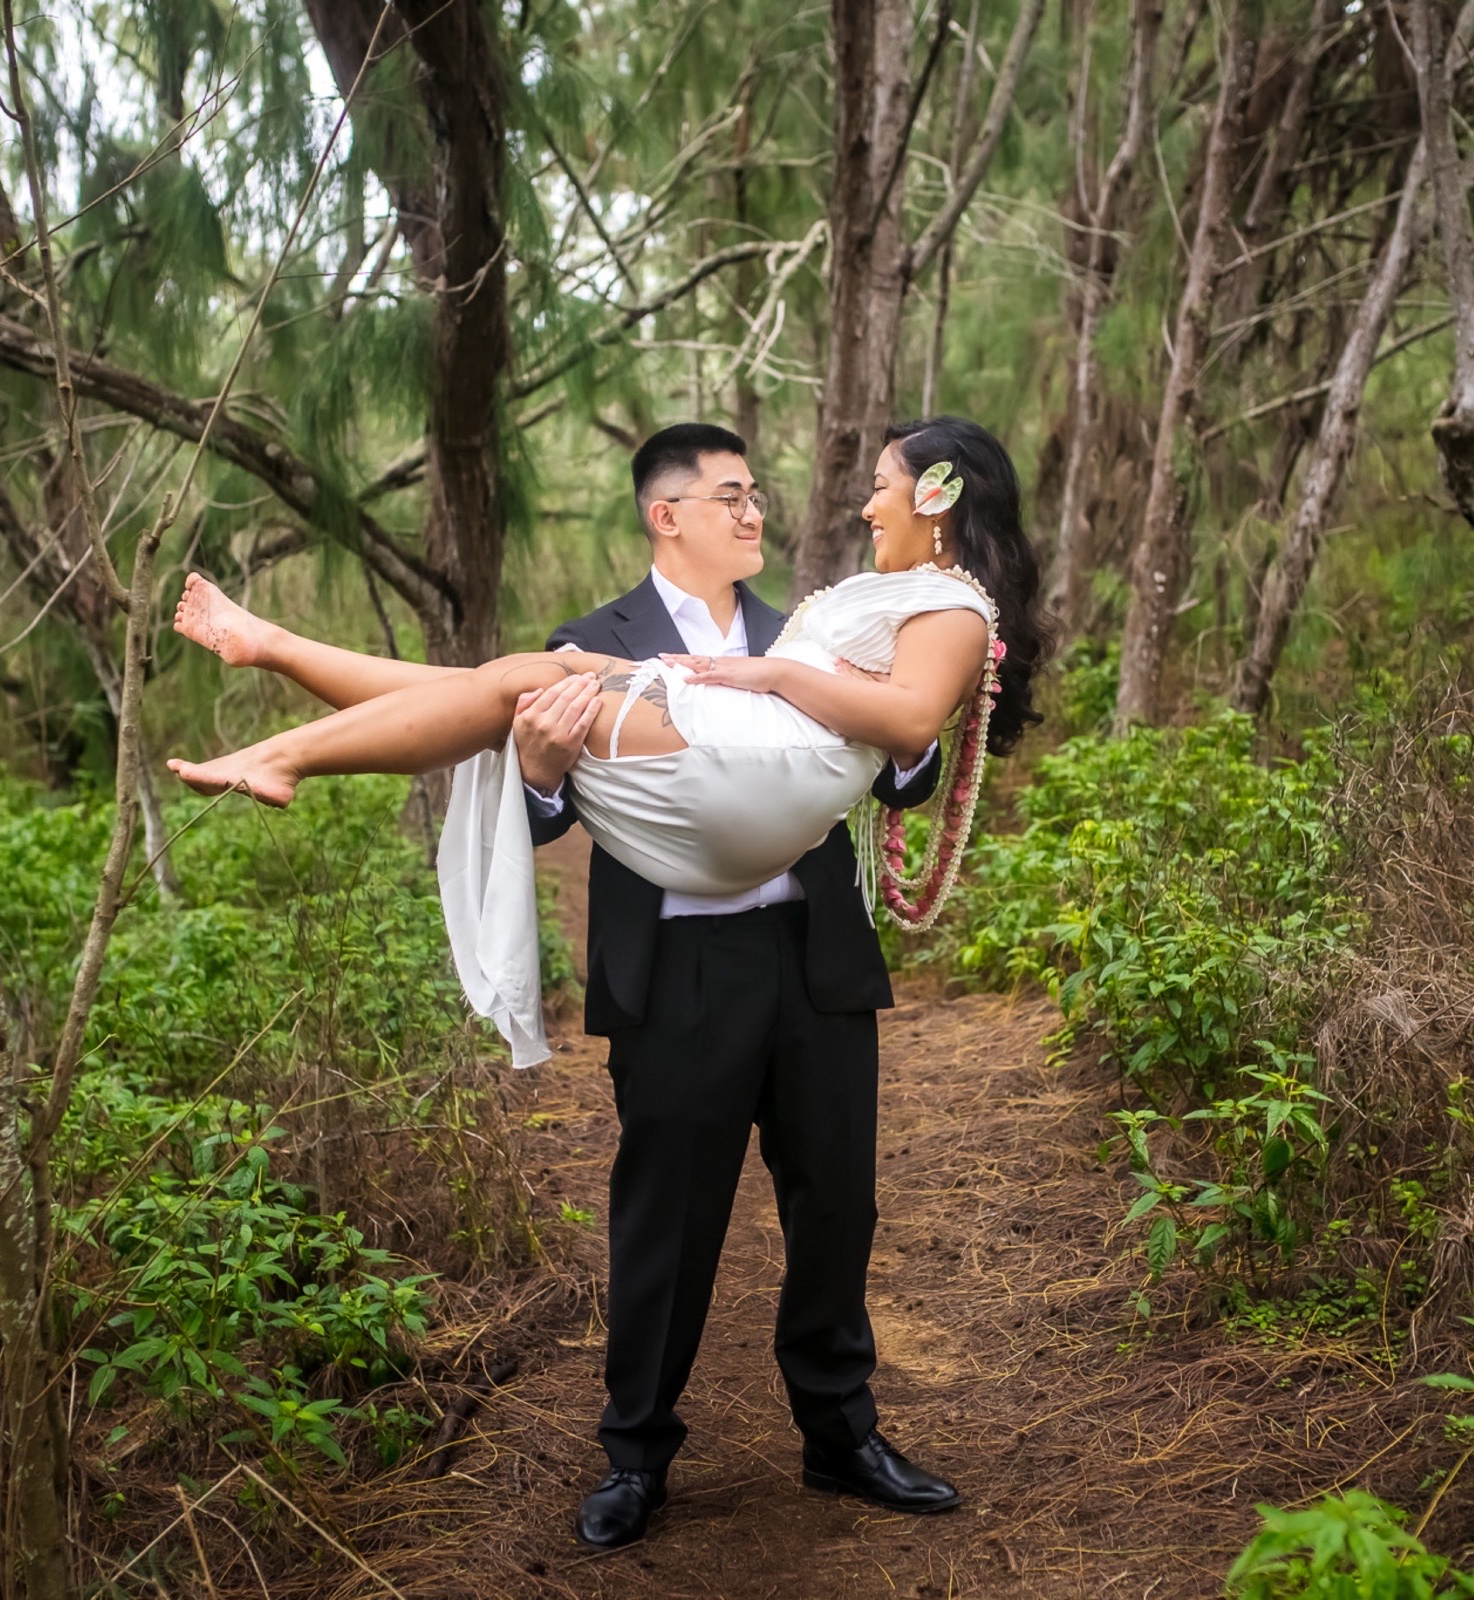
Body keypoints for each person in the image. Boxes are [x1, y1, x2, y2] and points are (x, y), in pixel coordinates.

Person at [166, 416, 1049, 1546]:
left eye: (756, 495)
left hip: (810, 960)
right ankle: (636, 1453)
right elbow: (547, 805)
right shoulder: (603, 636)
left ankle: (841, 1434)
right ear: (664, 513)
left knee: (837, 1210)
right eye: (732, 494)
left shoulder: (810, 625)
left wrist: (812, 689)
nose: (759, 512)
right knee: (663, 1224)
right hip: (681, 967)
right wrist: (539, 773)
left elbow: (902, 762)